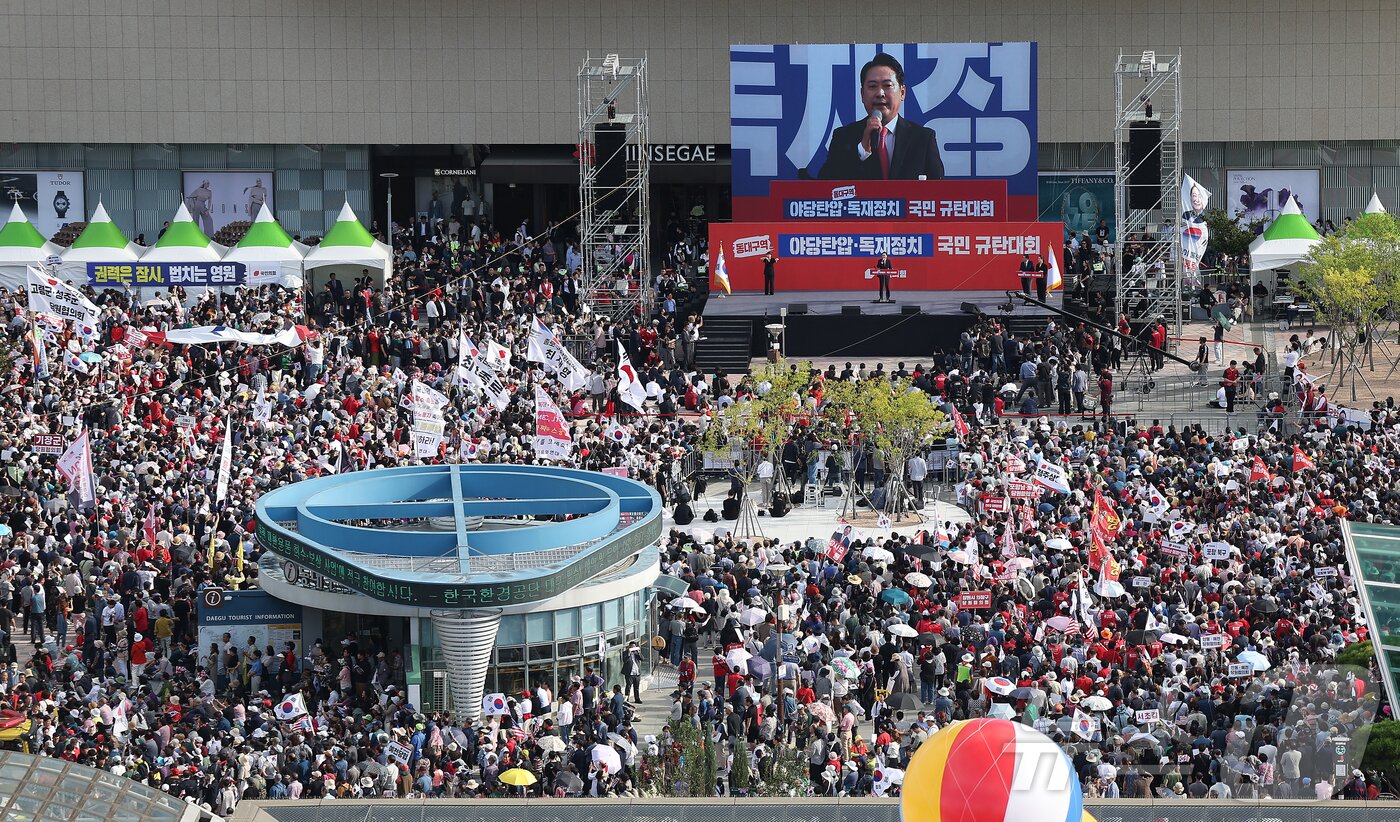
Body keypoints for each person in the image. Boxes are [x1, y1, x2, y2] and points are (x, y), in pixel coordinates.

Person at [815, 53, 944, 181]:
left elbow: (939, 189)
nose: (880, 93)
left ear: (902, 92)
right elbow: (826, 187)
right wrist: (862, 150)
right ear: (862, 94)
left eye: (887, 85)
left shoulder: (923, 139)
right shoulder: (843, 138)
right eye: (872, 86)